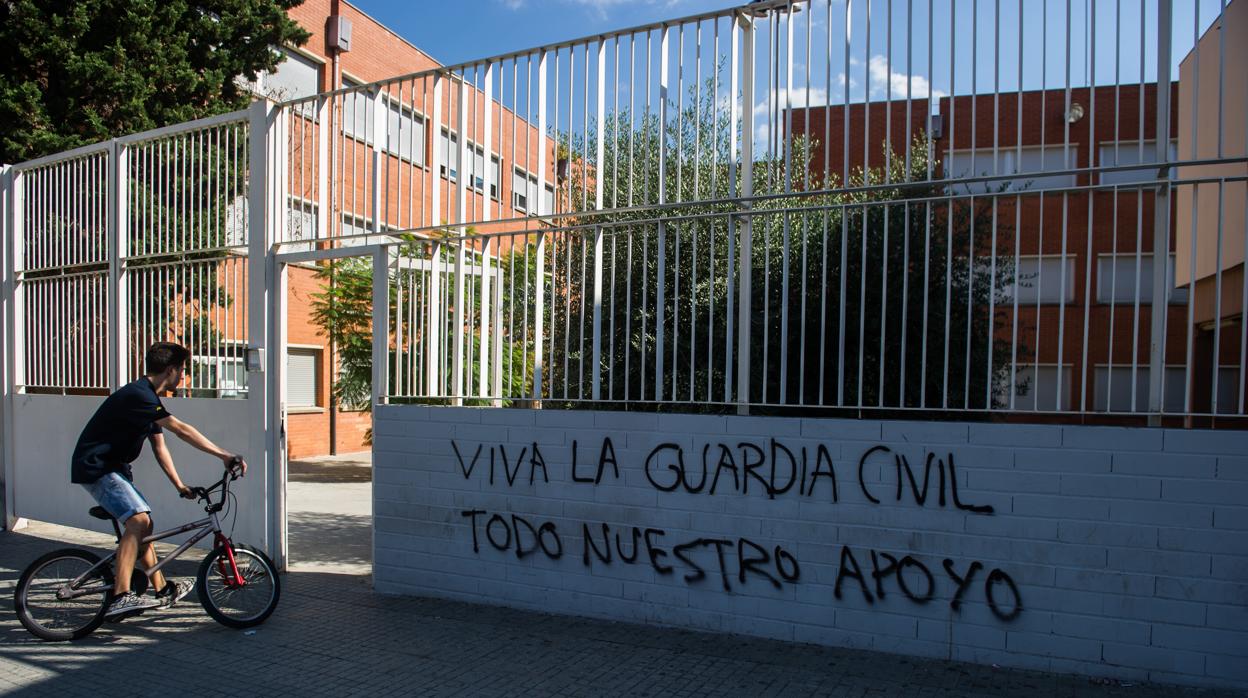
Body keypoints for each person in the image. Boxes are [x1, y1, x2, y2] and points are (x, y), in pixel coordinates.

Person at [71, 342, 249, 618]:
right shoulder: (139, 396)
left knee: (146, 526)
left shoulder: (148, 401)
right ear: (170, 370)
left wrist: (179, 485)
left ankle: (162, 589)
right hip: (97, 467)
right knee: (138, 520)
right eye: (182, 371)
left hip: (114, 468)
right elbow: (180, 429)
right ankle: (120, 596)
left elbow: (160, 446)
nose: (183, 377)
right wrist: (223, 454)